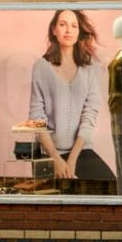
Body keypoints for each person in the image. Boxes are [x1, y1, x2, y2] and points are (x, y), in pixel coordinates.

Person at [23, 9, 114, 187]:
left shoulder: (90, 68)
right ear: (54, 30)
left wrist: (72, 160)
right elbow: (36, 117)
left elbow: (89, 116)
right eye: (63, 24)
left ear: (79, 32)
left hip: (81, 150)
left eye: (74, 26)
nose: (68, 30)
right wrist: (56, 158)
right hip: (48, 151)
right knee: (57, 198)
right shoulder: (41, 66)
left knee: (109, 186)